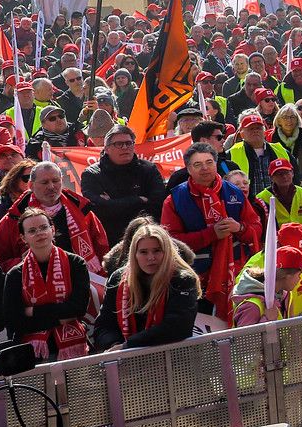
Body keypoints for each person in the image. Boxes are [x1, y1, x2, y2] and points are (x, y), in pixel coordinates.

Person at [162, 143, 261, 314]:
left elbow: (256, 227)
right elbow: (171, 242)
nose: (205, 168)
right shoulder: (174, 200)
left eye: (209, 162)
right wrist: (211, 234)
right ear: (188, 169)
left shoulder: (235, 193)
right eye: (197, 164)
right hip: (196, 279)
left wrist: (239, 228)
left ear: (216, 164)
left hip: (236, 274)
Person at [3, 206, 94, 362]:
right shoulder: (15, 275)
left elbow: (78, 308)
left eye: (44, 227)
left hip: (73, 345)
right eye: (32, 231)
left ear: (53, 229)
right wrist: (59, 319)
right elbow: (14, 321)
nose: (39, 233)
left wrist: (32, 311)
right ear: (23, 238)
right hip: (32, 353)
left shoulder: (76, 263)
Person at [93, 221, 200, 351]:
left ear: (167, 252)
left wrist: (128, 347)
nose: (151, 257)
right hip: (127, 359)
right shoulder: (118, 279)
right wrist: (114, 346)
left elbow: (177, 327)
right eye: (144, 252)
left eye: (157, 251)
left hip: (174, 357)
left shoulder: (183, 279)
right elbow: (103, 327)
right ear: (134, 254)